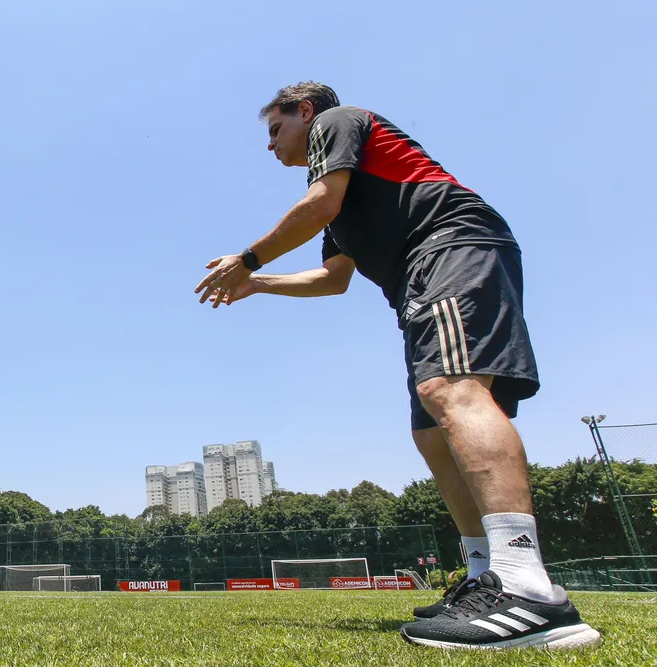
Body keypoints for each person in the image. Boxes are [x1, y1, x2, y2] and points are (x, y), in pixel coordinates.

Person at [195, 82, 602, 650]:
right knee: (431, 433)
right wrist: (257, 284)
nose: (270, 146)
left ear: (304, 111)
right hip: (422, 276)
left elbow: (319, 205)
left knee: (451, 389)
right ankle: (485, 575)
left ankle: (527, 586)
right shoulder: (344, 208)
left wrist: (247, 258)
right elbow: (333, 280)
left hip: (451, 248)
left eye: (275, 129)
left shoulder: (336, 122)